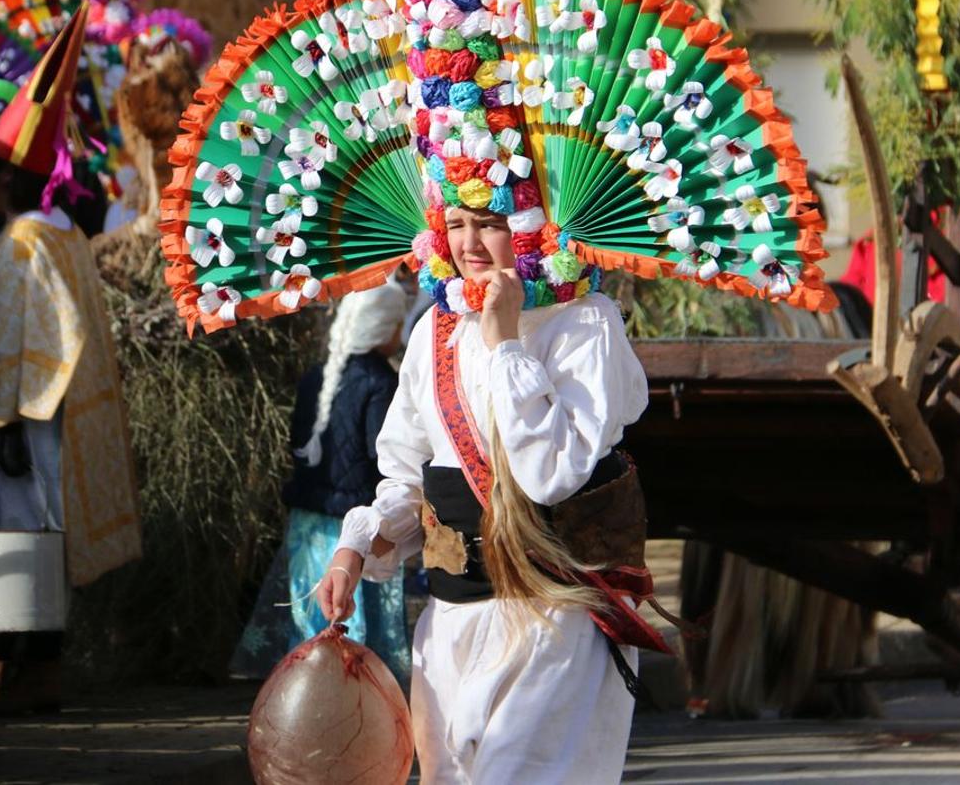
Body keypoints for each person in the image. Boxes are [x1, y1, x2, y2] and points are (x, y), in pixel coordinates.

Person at [317, 203, 655, 783]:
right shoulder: (435, 330)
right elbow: (405, 470)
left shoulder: (584, 322)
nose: (469, 244)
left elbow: (550, 472)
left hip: (552, 618)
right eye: (455, 225)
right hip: (452, 619)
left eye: (491, 222)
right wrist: (359, 544)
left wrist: (505, 343)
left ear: (536, 229)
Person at [0, 4, 142, 712]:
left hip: (18, 424)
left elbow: (18, 341)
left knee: (15, 542)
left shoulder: (23, 244)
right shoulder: (60, 234)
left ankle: (10, 671)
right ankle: (23, 669)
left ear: (9, 181)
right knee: (35, 540)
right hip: (50, 420)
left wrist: (11, 419)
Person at [231, 283, 412, 682]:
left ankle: (305, 694)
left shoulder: (317, 377)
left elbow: (296, 441)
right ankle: (359, 706)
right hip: (353, 528)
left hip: (309, 522)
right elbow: (386, 455)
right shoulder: (382, 383)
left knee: (311, 616)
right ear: (384, 328)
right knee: (355, 623)